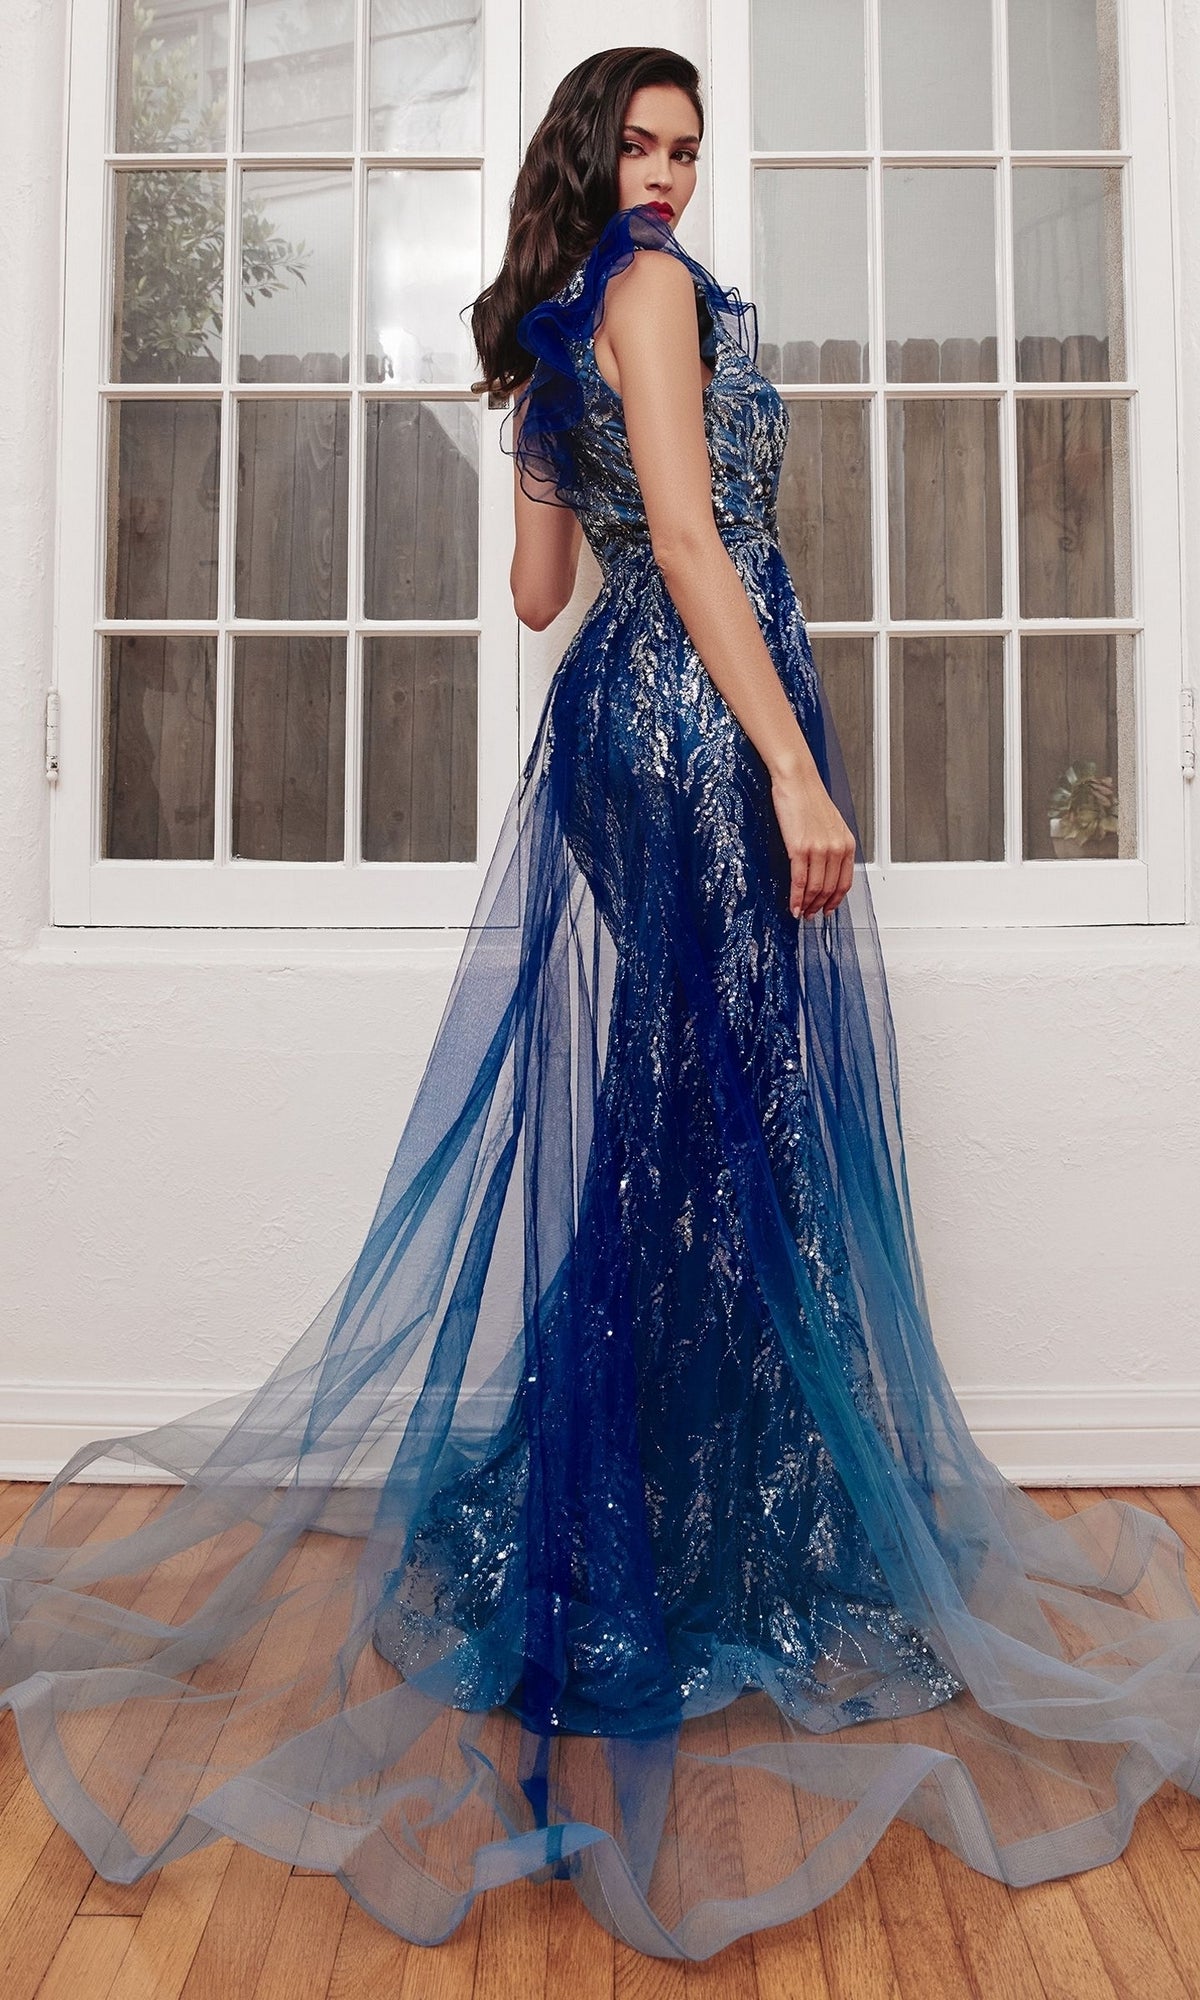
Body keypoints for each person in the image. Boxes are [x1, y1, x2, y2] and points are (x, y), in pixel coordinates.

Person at [2, 42, 1200, 1967]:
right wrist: (796, 771)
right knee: (720, 1124)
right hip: (700, 730)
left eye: (687, 152)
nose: (665, 177)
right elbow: (699, 547)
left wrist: (531, 415)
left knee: (680, 1117)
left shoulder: (569, 316)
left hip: (614, 728)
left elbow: (540, 594)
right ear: (591, 152)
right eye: (637, 145)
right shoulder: (648, 295)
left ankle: (636, 1498)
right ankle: (693, 1523)